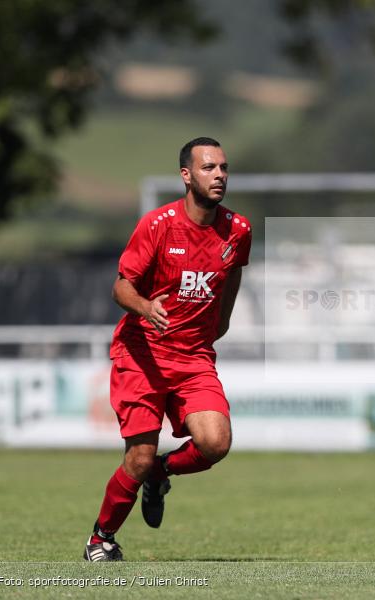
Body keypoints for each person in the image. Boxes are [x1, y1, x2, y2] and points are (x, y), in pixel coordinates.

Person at [83, 137, 252, 561]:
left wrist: (223, 321)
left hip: (193, 357)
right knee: (137, 457)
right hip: (142, 353)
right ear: (186, 175)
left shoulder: (238, 230)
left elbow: (232, 279)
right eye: (209, 168)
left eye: (223, 168)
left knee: (215, 442)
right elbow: (121, 286)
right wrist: (145, 306)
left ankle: (160, 473)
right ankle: (101, 539)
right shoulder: (158, 225)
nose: (219, 176)